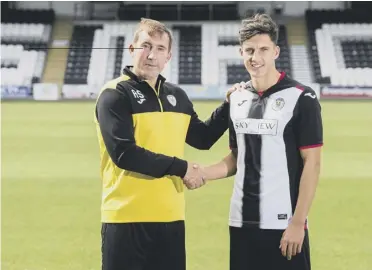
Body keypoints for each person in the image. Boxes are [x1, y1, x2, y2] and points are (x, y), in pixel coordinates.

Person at [94, 18, 232, 270]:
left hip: (171, 217)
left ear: (168, 57)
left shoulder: (177, 96)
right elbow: (124, 154)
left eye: (159, 49)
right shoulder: (114, 94)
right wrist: (183, 168)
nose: (151, 55)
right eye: (146, 46)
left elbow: (202, 138)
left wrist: (228, 106)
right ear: (132, 49)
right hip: (126, 218)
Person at [199, 14, 323, 270]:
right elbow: (236, 158)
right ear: (241, 52)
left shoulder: (302, 97)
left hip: (284, 225)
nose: (256, 57)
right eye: (250, 50)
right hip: (241, 222)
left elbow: (312, 164)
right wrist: (202, 173)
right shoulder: (237, 98)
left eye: (264, 49)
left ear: (276, 51)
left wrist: (298, 222)